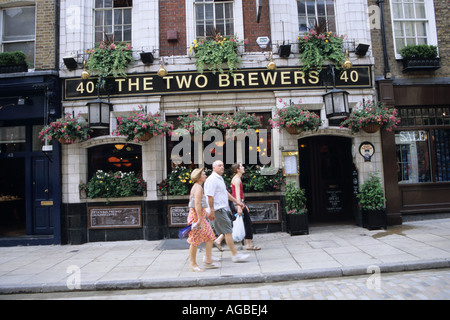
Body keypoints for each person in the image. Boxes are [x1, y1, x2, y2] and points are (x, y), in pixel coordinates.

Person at [204, 160, 249, 262]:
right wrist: (211, 209)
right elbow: (210, 196)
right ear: (213, 168)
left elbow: (225, 193)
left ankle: (208, 256)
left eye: (223, 165)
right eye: (219, 166)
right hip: (217, 209)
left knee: (211, 233)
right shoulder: (212, 179)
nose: (222, 167)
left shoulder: (219, 179)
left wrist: (237, 202)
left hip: (221, 209)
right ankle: (235, 254)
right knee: (228, 231)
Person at [187, 168, 220, 272]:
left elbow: (199, 204)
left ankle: (208, 259)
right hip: (197, 218)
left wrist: (206, 214)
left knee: (210, 236)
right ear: (198, 176)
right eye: (203, 174)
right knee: (194, 241)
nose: (205, 175)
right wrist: (199, 219)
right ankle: (193, 264)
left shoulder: (198, 187)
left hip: (200, 217)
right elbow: (197, 204)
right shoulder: (198, 188)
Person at [231, 163, 261, 251]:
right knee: (247, 223)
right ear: (237, 169)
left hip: (239, 203)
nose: (243, 167)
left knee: (242, 222)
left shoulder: (237, 178)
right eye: (241, 166)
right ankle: (249, 244)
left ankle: (219, 239)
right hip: (239, 203)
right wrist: (239, 206)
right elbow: (237, 195)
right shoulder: (237, 180)